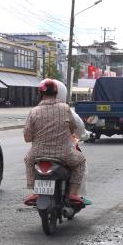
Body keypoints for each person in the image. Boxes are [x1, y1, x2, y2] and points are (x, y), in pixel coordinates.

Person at [22, 78, 86, 206]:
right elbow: (73, 127)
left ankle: (35, 191)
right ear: (56, 93)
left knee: (27, 160)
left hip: (37, 153)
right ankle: (73, 193)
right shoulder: (65, 108)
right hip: (64, 154)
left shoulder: (33, 112)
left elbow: (27, 137)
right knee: (81, 161)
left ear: (41, 95)